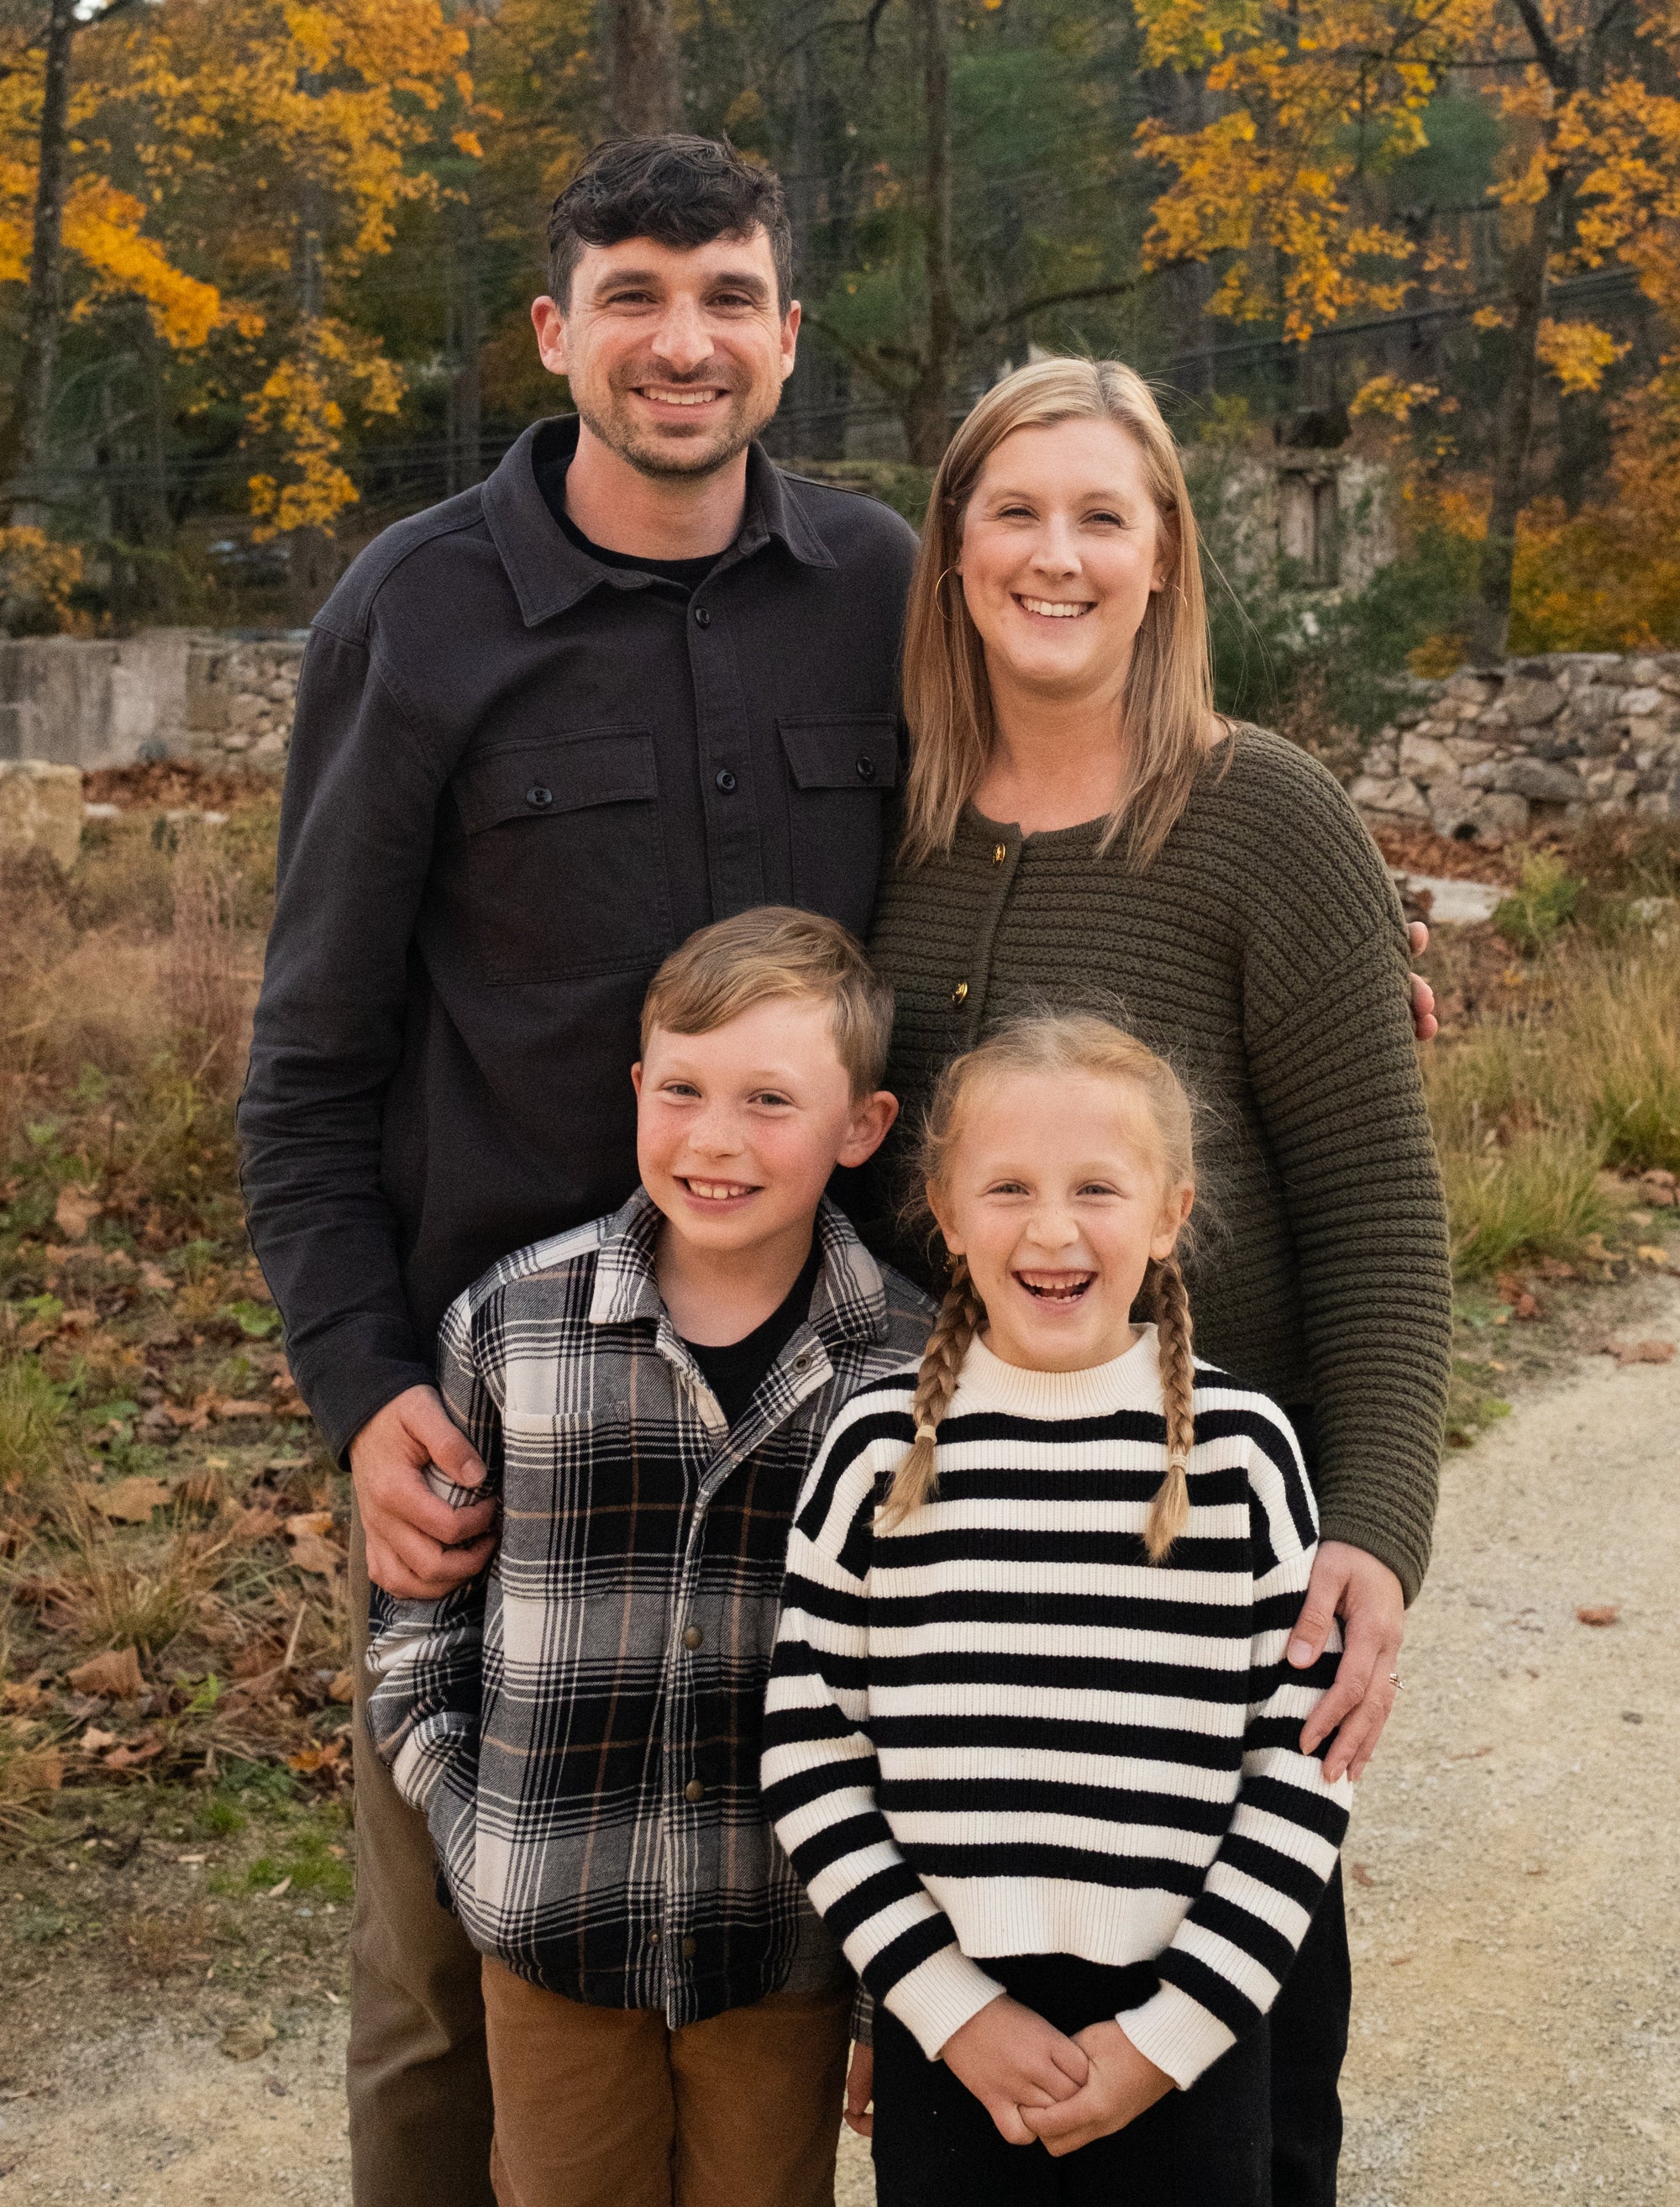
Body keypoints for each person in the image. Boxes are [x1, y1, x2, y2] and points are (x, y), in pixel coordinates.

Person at [237, 137, 921, 2205]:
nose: (679, 341)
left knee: (809, 1940)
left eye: (725, 296)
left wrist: (1327, 921)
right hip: (501, 1428)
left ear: (788, 337)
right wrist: (364, 1392)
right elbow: (309, 1060)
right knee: (451, 1993)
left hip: (829, 1415)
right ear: (555, 332)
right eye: (632, 294)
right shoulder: (419, 607)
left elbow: (1063, 813)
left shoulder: (881, 587)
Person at [861, 357, 1452, 2200]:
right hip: (951, 1605)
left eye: (1102, 516)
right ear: (954, 547)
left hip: (1198, 1597)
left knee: (1236, 2126)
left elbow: (1377, 1208)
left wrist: (1376, 1529)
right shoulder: (889, 818)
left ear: (1166, 555)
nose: (1058, 555)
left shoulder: (1264, 816)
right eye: (1015, 512)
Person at [363, 908, 933, 2207]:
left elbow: (926, 1689)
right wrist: (474, 1832)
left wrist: (889, 1983)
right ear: (635, 1089)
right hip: (549, 1928)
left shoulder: (915, 1371)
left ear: (862, 1127)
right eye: (682, 1090)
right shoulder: (514, 1326)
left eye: (769, 1100)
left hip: (782, 1941)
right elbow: (419, 1626)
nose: (713, 1139)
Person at [764, 1012, 1353, 2206]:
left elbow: (1303, 1770)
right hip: (956, 2042)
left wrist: (1168, 2039)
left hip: (1189, 2036)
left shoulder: (1241, 1455)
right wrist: (948, 2007)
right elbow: (809, 1748)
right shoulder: (878, 1450)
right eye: (1009, 1188)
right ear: (944, 1212)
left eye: (1096, 1187)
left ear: (1170, 1214)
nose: (1051, 1228)